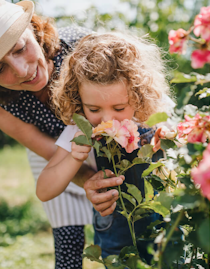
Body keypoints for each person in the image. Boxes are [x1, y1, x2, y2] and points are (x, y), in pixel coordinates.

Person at [0, 0, 123, 268]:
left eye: (20, 48)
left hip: (109, 141)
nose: (22, 70)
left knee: (120, 227)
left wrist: (103, 182)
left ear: (34, 29)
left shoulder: (83, 50)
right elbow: (48, 152)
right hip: (55, 152)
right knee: (68, 242)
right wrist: (87, 180)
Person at [36, 32, 173, 261]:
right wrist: (74, 157)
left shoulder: (149, 116)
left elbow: (183, 150)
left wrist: (169, 139)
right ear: (79, 101)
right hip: (113, 230)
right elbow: (44, 189)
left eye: (119, 108)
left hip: (160, 224)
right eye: (94, 109)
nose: (106, 119)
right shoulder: (79, 131)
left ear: (138, 95)